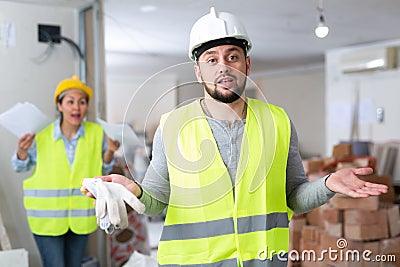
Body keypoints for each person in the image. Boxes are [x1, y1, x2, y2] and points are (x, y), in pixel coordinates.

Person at [92, 7, 388, 267]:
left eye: (232, 56)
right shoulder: (172, 126)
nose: (223, 66)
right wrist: (134, 189)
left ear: (247, 65)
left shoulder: (278, 121)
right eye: (211, 59)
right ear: (198, 71)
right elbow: (157, 200)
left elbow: (294, 198)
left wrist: (328, 184)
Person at [11, 75, 120, 267]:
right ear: (59, 106)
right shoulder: (41, 134)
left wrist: (110, 150)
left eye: (82, 102)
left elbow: (104, 168)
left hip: (81, 218)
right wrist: (22, 151)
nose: (76, 107)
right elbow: (20, 166)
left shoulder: (97, 133)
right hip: (46, 221)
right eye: (70, 102)